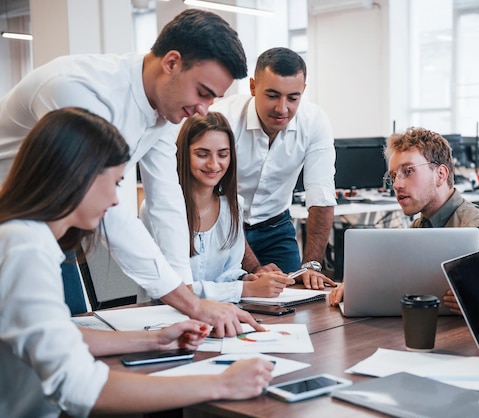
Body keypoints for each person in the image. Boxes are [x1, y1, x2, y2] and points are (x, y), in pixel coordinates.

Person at [0, 9, 262, 336]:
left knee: (70, 336)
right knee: (42, 345)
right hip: (13, 218)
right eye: (202, 92)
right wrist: (191, 303)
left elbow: (166, 199)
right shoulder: (81, 91)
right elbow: (109, 210)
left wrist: (187, 294)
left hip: (55, 221)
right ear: (171, 63)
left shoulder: (166, 109)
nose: (203, 109)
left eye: (213, 99)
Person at [0, 108, 274, 418]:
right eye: (115, 183)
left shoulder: (28, 238)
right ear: (79, 177)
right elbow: (79, 387)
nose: (116, 201)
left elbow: (58, 335)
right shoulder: (25, 248)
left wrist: (156, 339)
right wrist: (222, 384)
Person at [330, 127, 479, 312]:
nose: (397, 184)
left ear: (440, 174)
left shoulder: (474, 228)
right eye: (394, 176)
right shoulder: (421, 226)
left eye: (408, 171)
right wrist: (358, 285)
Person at [210, 47, 337, 290]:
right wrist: (254, 267)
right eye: (272, 95)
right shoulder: (222, 119)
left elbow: (321, 197)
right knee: (231, 301)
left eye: (293, 98)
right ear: (253, 87)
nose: (282, 108)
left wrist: (311, 265)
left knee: (297, 300)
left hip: (276, 228)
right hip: (224, 227)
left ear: (303, 92)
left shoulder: (314, 122)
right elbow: (213, 198)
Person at [141, 112, 295, 301]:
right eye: (202, 154)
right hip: (163, 317)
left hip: (217, 314)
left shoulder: (232, 206)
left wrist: (248, 278)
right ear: (183, 154)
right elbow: (174, 288)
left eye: (222, 154)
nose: (214, 165)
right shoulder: (155, 209)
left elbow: (227, 272)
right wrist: (244, 289)